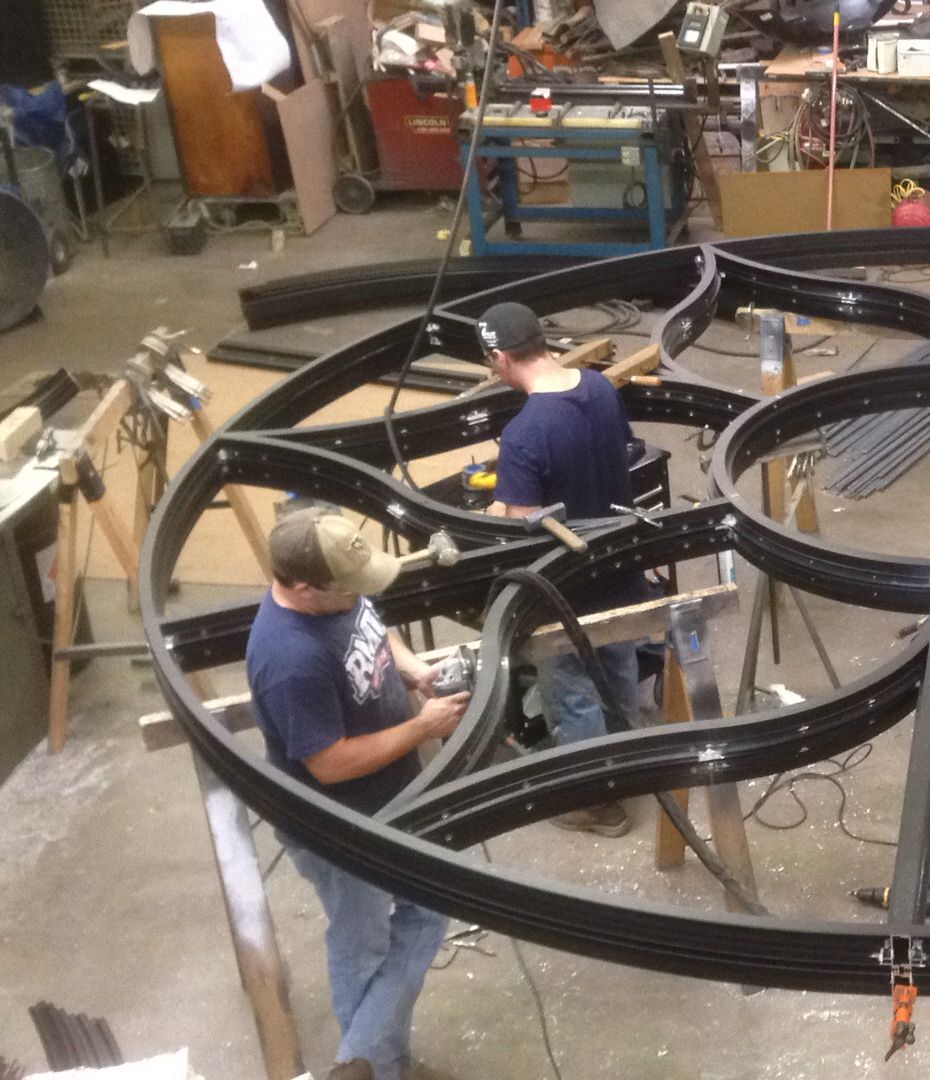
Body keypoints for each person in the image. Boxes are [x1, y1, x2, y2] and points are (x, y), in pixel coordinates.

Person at [246, 507, 469, 1080]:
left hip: (394, 799)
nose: (356, 595)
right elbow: (330, 764)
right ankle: (367, 1066)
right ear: (301, 586)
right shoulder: (287, 660)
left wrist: (414, 670)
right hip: (338, 828)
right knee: (363, 945)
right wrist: (423, 727)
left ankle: (366, 1059)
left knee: (429, 909)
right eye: (345, 588)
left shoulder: (336, 588)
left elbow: (371, 624)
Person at [480, 300, 663, 837]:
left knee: (575, 692)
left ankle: (595, 804)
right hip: (620, 573)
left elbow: (521, 524)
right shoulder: (601, 389)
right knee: (619, 674)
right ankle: (629, 771)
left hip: (567, 596)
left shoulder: (523, 434)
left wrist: (500, 506)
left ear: (500, 357)